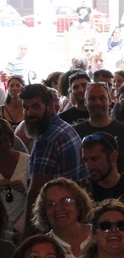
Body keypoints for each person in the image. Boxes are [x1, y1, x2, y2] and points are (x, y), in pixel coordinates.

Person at [22, 83, 87, 232]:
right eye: (25, 107)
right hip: (74, 212)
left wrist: (27, 234)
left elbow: (37, 191)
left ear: (50, 105)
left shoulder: (47, 140)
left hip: (58, 218)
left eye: (35, 107)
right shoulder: (64, 127)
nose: (29, 113)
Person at [73, 81, 124, 174]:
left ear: (110, 100)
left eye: (102, 98)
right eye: (92, 98)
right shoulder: (75, 133)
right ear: (85, 102)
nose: (97, 103)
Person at [78, 132, 124, 213]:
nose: (89, 165)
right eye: (86, 160)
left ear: (113, 157)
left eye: (94, 159)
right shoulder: (79, 192)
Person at [33, 178, 94, 258]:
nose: (58, 208)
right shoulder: (41, 247)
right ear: (44, 211)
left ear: (78, 205)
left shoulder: (99, 235)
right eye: (50, 204)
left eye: (65, 201)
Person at [0, 119, 29, 238]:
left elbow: (39, 195)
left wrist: (25, 190)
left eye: (6, 140)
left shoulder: (28, 161)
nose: (3, 146)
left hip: (25, 223)